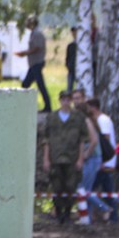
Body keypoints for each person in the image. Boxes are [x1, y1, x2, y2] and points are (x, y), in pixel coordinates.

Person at [41, 90, 85, 224]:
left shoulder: (78, 118)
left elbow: (82, 140)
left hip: (72, 157)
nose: (66, 102)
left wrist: (80, 158)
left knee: (71, 186)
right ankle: (59, 213)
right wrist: (46, 158)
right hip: (56, 157)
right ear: (60, 101)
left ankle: (67, 212)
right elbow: (46, 140)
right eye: (63, 100)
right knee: (57, 186)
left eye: (68, 100)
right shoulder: (52, 118)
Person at [72, 89, 112, 223]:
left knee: (82, 189)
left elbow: (94, 141)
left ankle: (104, 207)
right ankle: (86, 218)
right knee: (85, 189)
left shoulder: (86, 121)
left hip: (93, 158)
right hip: (92, 158)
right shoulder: (87, 121)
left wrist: (84, 155)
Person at [88, 96, 118, 221]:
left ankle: (105, 212)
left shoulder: (103, 120)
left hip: (104, 162)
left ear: (93, 108)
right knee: (107, 191)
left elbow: (104, 140)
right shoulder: (98, 120)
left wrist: (101, 160)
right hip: (104, 162)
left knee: (89, 190)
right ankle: (112, 217)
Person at [14, 15, 51, 112]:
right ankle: (23, 105)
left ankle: (48, 106)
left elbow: (37, 47)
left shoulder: (37, 33)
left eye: (28, 22)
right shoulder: (33, 33)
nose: (26, 24)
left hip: (37, 62)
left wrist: (25, 53)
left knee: (39, 85)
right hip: (34, 63)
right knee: (26, 84)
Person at [64, 26, 77, 94]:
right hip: (71, 70)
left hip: (79, 70)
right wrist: (68, 65)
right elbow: (67, 57)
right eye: (73, 32)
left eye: (75, 31)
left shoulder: (82, 45)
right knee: (69, 89)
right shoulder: (70, 45)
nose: (74, 33)